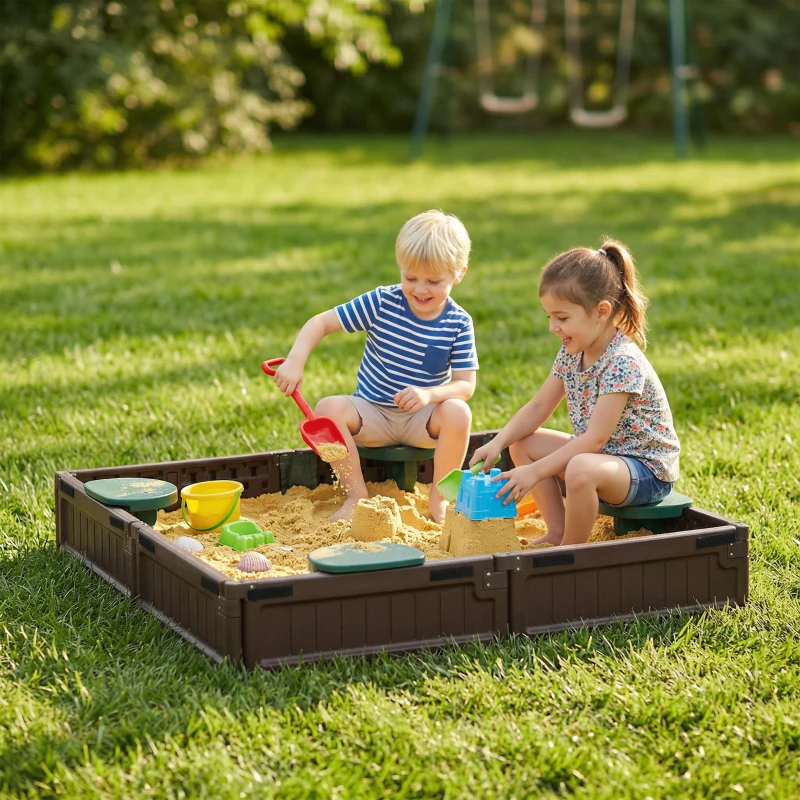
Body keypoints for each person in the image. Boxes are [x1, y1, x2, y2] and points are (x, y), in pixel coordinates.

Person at [272, 210, 478, 523]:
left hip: (422, 420)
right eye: (410, 278)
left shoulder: (458, 322)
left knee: (458, 412)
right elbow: (321, 322)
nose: (420, 290)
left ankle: (441, 496)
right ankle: (355, 494)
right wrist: (295, 360)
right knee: (328, 408)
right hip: (373, 413)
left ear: (458, 274)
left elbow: (466, 385)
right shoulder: (382, 302)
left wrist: (430, 395)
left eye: (434, 281)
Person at [470, 239, 680, 547]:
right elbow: (540, 405)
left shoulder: (622, 361)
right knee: (522, 443)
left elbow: (595, 439)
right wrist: (499, 441)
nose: (553, 327)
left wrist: (533, 472)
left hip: (645, 470)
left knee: (580, 468)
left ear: (601, 312)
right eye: (549, 317)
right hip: (603, 458)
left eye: (563, 318)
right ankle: (557, 531)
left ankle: (572, 551)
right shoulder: (571, 353)